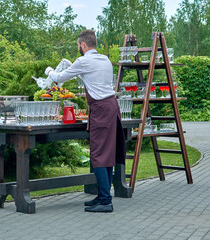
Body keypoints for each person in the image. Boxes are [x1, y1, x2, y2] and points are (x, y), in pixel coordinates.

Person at [45, 30, 126, 213]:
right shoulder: (104, 59)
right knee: (108, 154)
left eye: (78, 46)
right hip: (112, 107)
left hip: (100, 109)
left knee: (98, 155)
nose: (78, 48)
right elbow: (90, 78)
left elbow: (58, 79)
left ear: (82, 45)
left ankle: (105, 201)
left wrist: (49, 71)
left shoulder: (83, 61)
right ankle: (102, 194)